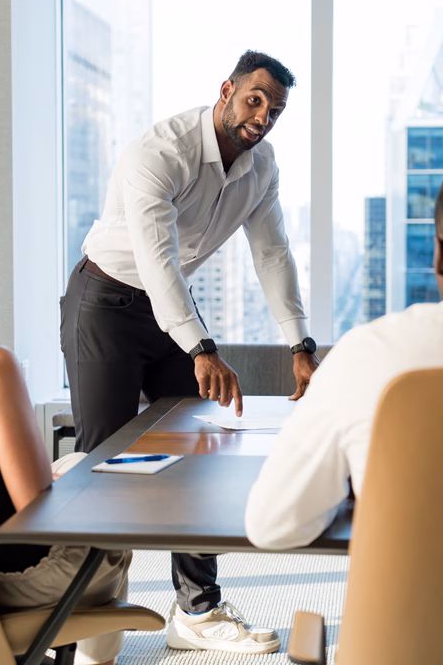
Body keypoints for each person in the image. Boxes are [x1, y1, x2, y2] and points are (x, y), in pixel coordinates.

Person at [61, 50, 319, 653]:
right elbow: (157, 259)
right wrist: (202, 347)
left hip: (172, 309)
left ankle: (197, 612)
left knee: (200, 446)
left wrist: (300, 344)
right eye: (255, 99)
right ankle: (87, 614)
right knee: (102, 462)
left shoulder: (261, 166)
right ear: (226, 90)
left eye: (275, 110)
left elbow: (272, 252)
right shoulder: (160, 152)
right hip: (105, 302)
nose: (263, 117)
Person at [0, 203, 131, 665]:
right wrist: (70, 488)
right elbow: (36, 509)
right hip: (10, 572)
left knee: (74, 462)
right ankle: (97, 659)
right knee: (113, 505)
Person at [245, 172, 443, 551]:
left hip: (410, 591)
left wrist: (348, 480)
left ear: (441, 254)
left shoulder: (367, 354)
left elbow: (271, 525)